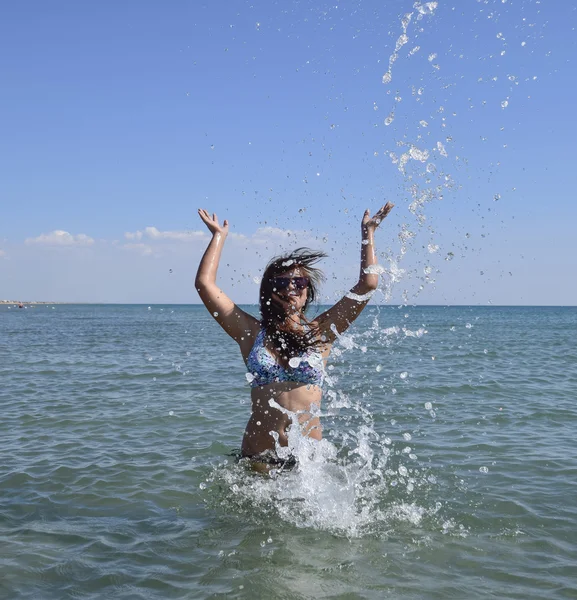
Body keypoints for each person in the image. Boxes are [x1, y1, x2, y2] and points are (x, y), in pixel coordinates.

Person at [195, 203, 394, 470]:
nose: (291, 287)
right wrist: (218, 236)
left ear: (306, 291)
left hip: (308, 463)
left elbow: (368, 284)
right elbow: (205, 284)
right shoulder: (250, 331)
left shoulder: (322, 332)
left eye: (298, 283)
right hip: (258, 457)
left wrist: (368, 233)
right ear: (270, 290)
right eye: (282, 282)